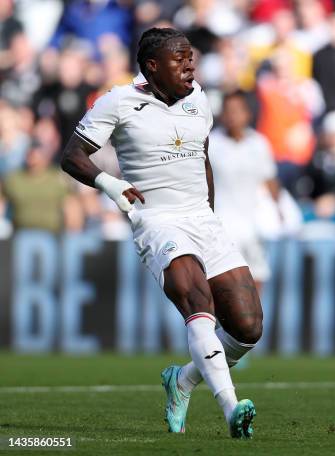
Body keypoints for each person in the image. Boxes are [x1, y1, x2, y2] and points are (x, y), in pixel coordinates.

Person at [60, 28, 261, 439]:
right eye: (180, 59)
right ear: (152, 66)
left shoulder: (199, 98)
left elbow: (201, 153)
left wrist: (209, 207)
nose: (190, 65)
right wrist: (111, 185)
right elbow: (72, 156)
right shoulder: (118, 101)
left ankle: (183, 380)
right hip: (157, 220)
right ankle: (230, 407)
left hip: (202, 218)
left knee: (248, 326)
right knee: (197, 299)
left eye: (192, 58)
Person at [208, 90, 279, 293]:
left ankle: (254, 324)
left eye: (237, 110)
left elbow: (270, 181)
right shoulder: (211, 144)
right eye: (228, 111)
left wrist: (278, 212)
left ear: (248, 113)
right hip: (221, 225)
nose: (232, 115)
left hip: (253, 224)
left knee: (256, 277)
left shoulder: (259, 143)